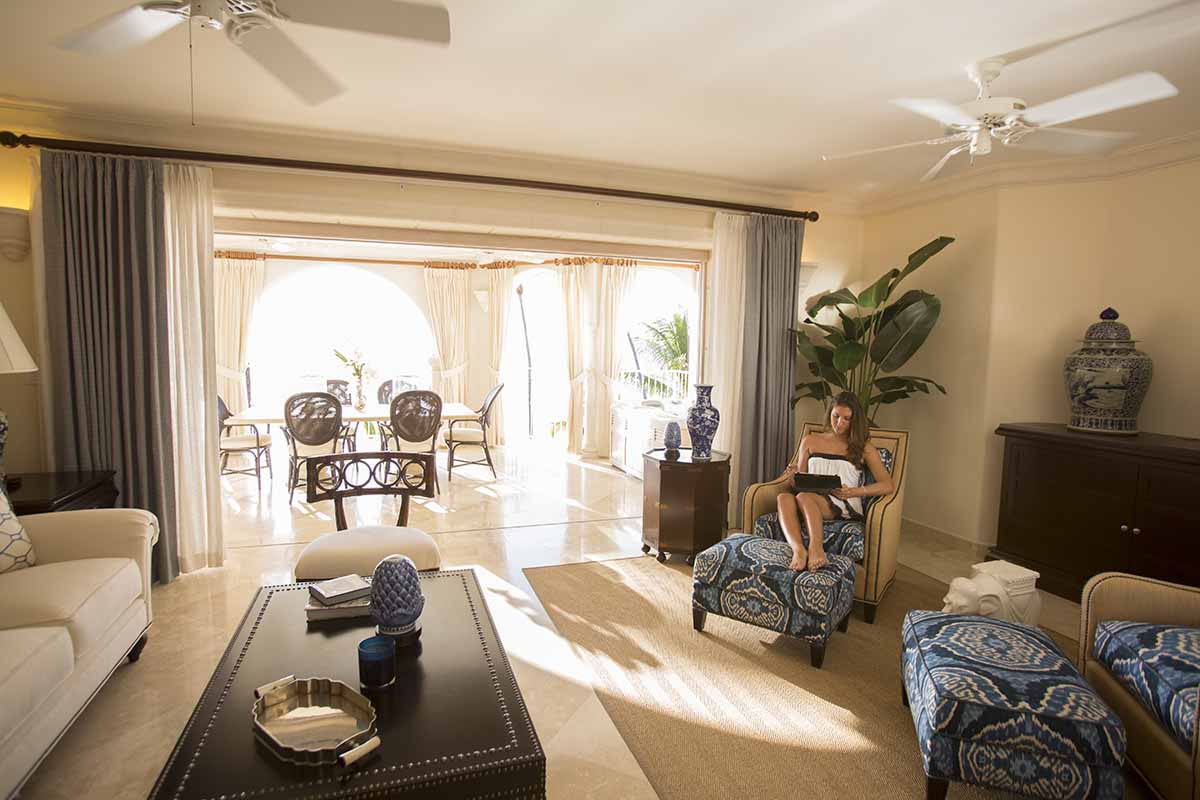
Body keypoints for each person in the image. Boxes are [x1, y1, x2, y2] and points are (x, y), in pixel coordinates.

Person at [776, 392, 894, 572]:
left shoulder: (864, 448)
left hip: (841, 502)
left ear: (855, 420)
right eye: (836, 416)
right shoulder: (810, 440)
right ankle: (798, 550)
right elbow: (800, 481)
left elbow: (888, 485)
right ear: (830, 413)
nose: (839, 423)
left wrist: (854, 492)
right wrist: (793, 476)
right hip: (807, 497)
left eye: (846, 419)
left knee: (804, 497)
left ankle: (816, 549)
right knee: (784, 497)